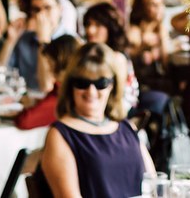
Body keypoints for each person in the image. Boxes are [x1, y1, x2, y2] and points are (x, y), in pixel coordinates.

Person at [37, 42, 155, 198]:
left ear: (112, 85)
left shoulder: (127, 128)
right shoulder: (60, 135)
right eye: (82, 83)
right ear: (71, 85)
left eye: (101, 83)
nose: (91, 91)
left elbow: (153, 185)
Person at [0, 0, 71, 91]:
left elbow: (47, 87)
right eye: (36, 10)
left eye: (47, 8)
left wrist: (43, 41)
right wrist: (10, 41)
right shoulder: (24, 39)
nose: (41, 14)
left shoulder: (71, 42)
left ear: (60, 10)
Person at [15, 34, 81, 130]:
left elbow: (24, 121)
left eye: (50, 63)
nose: (49, 69)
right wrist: (35, 102)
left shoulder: (64, 93)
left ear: (59, 61)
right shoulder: (65, 88)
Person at [83, 2, 137, 115]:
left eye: (97, 25)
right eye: (88, 24)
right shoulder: (91, 53)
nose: (90, 30)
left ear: (110, 28)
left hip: (119, 112)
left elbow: (117, 99)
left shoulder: (117, 57)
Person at [128, 0, 172, 93]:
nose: (160, 8)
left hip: (160, 84)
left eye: (161, 3)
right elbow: (128, 58)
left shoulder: (161, 30)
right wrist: (142, 48)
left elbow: (166, 64)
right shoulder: (134, 32)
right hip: (141, 88)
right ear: (142, 7)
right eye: (153, 4)